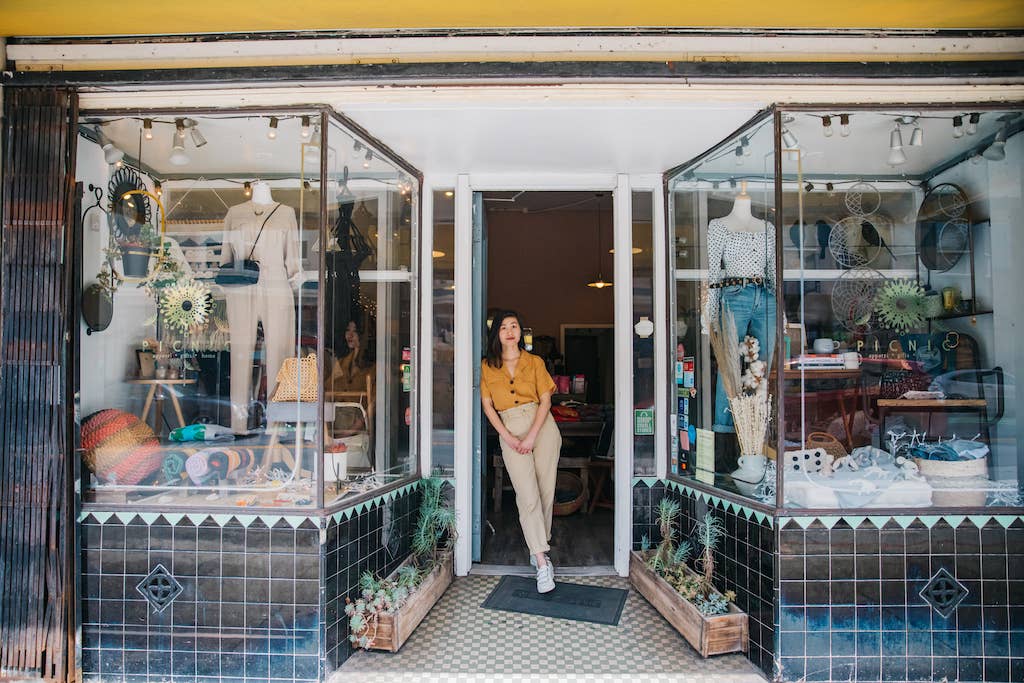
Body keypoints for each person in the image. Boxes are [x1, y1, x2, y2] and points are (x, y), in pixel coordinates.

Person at [480, 311, 562, 594]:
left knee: (545, 492)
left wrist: (531, 436)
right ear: (496, 334)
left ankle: (538, 547)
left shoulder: (535, 362)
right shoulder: (487, 366)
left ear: (520, 331)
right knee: (527, 496)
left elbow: (546, 400)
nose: (509, 331)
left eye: (514, 326)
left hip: (542, 428)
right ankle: (541, 562)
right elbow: (488, 406)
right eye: (503, 327)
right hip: (510, 428)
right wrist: (509, 437)